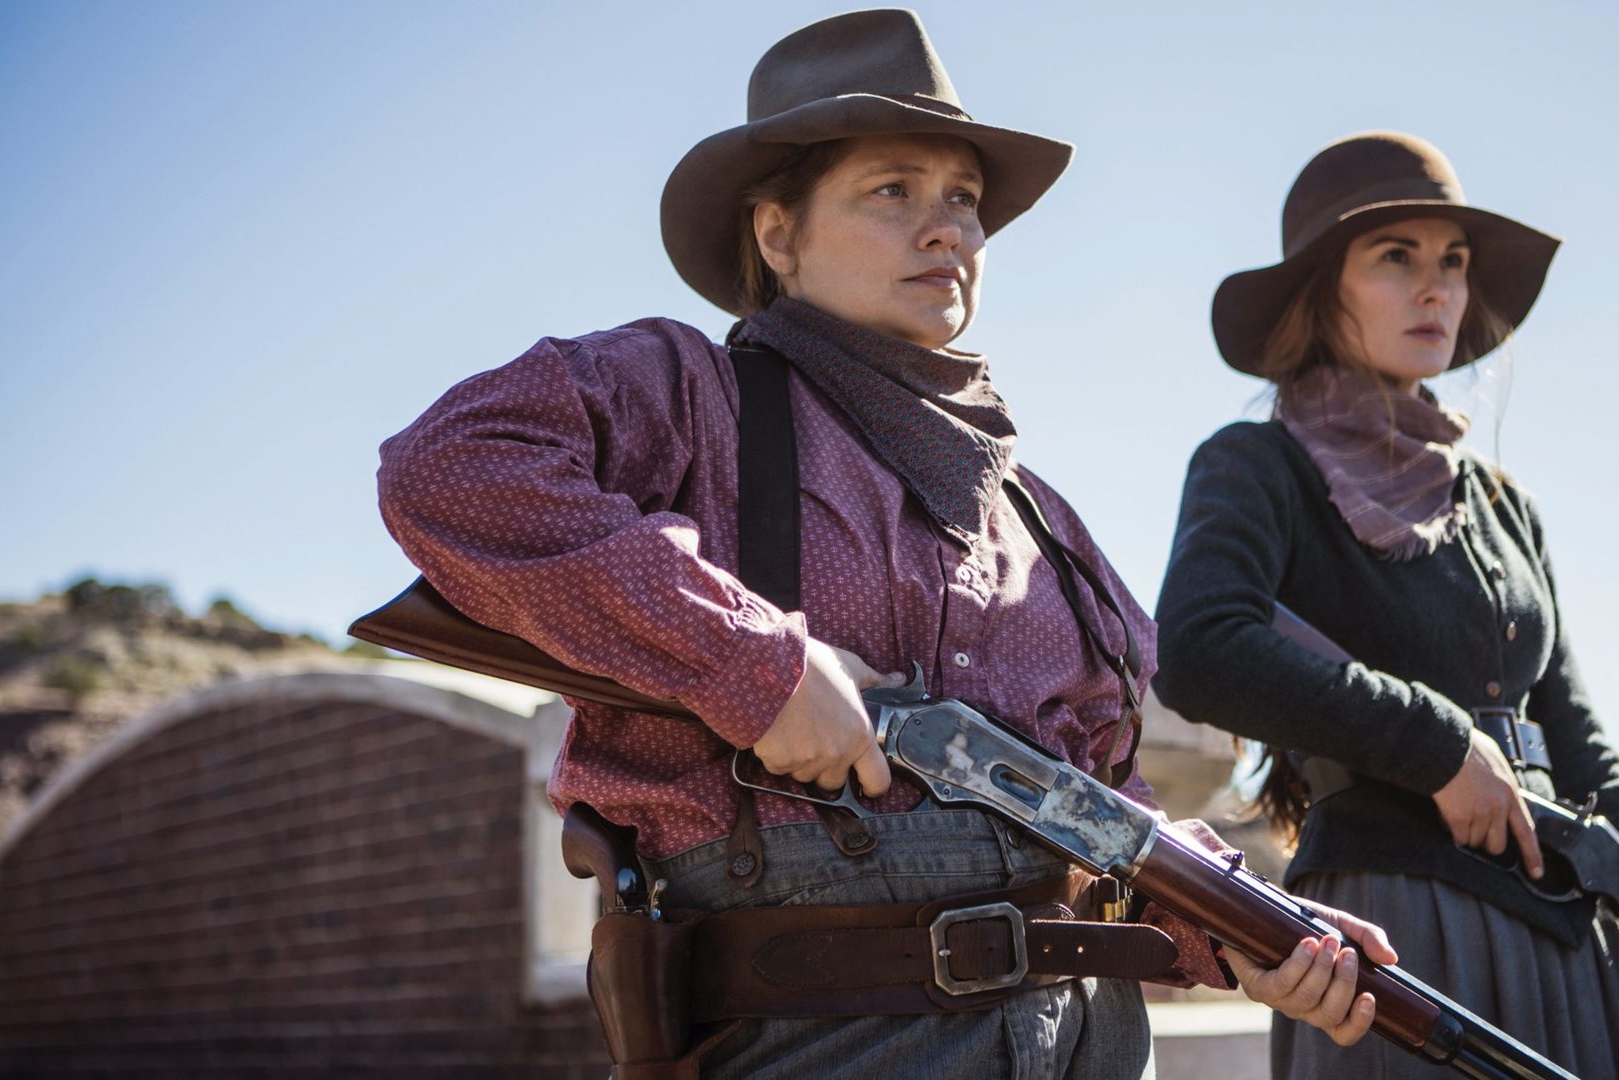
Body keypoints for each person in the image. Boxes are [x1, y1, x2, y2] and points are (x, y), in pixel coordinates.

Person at [376, 12, 1391, 1078]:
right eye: (892, 191)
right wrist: (755, 664)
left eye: (963, 199)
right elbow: (446, 468)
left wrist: (1246, 925)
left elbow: (1099, 807)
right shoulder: (689, 397)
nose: (947, 228)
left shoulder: (1045, 521)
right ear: (779, 236)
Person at [1153, 131, 1619, 1080]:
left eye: (1454, 263)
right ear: (1323, 290)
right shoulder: (1255, 465)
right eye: (1398, 259)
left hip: (1571, 933)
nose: (1438, 290)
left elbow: (1587, 758)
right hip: (1400, 936)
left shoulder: (1507, 507)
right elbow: (1200, 648)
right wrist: (1440, 746)